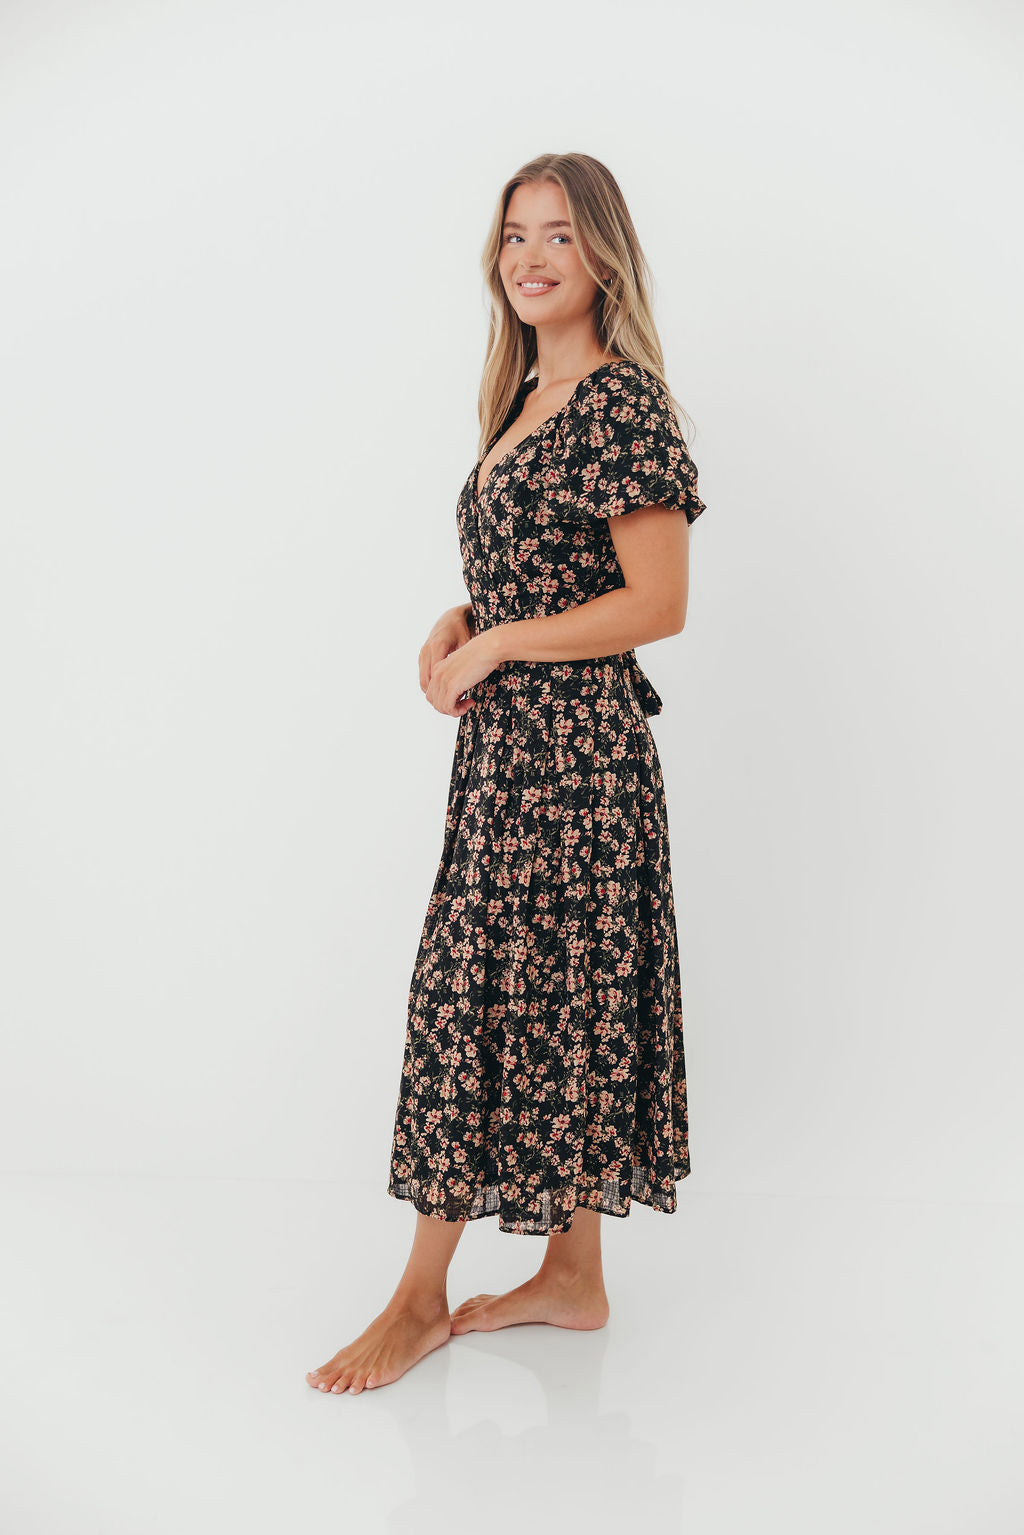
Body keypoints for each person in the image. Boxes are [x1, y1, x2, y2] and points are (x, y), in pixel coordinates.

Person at [307, 152, 706, 1397]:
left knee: (480, 998)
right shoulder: (526, 394)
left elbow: (657, 603)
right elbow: (549, 573)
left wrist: (499, 642)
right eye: (515, 234)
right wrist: (462, 619)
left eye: (559, 236)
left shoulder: (622, 404)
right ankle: (572, 1277)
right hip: (507, 756)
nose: (530, 257)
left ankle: (418, 1297)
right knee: (539, 995)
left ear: (603, 258)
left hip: (576, 767)